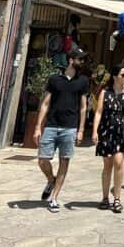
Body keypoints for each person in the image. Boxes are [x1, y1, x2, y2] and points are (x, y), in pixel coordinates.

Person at [35, 46, 89, 213]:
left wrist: (81, 130)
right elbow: (45, 103)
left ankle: (54, 198)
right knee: (42, 159)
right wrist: (38, 127)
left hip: (70, 127)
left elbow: (83, 107)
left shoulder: (83, 81)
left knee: (64, 162)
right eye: (80, 59)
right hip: (51, 125)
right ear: (71, 60)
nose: (82, 62)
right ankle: (51, 180)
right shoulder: (54, 79)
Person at [91, 63, 124, 213]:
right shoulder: (105, 92)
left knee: (119, 163)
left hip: (121, 133)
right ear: (115, 76)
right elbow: (99, 112)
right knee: (107, 165)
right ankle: (105, 197)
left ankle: (117, 199)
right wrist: (94, 131)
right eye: (122, 75)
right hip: (106, 132)